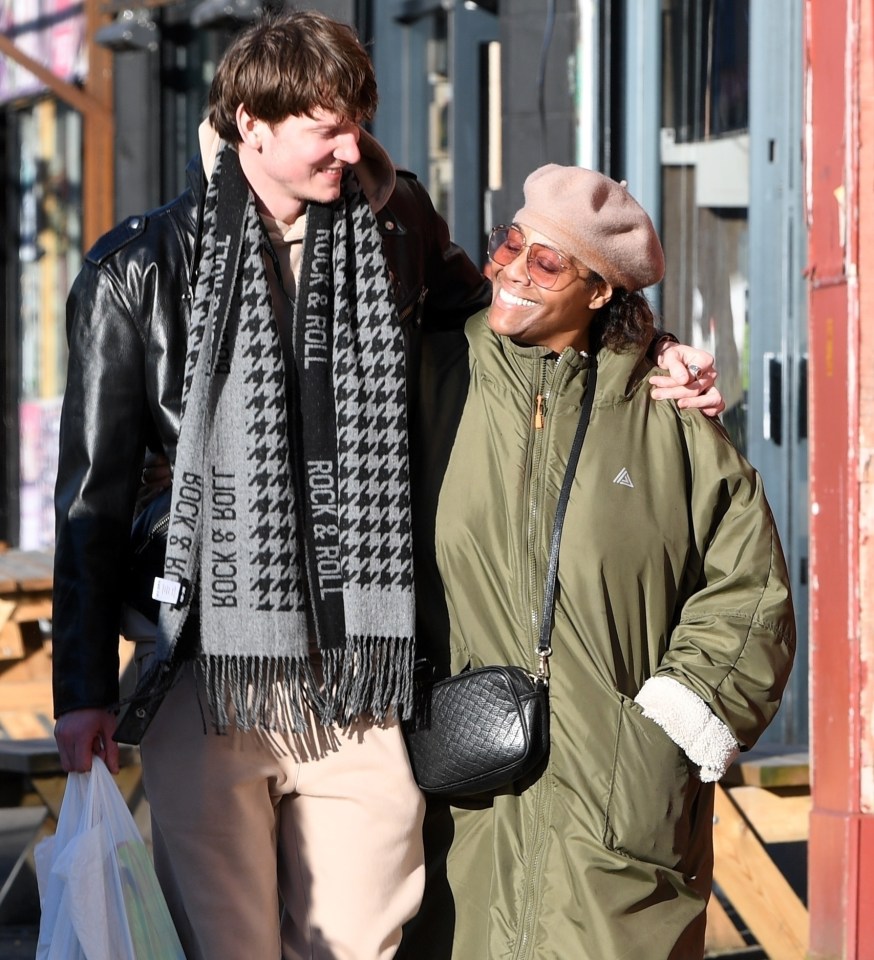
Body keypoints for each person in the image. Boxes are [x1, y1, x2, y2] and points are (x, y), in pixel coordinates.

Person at [51, 11, 721, 960]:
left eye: (356, 119)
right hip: (210, 665)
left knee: (367, 930)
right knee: (226, 941)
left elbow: (510, 328)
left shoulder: (393, 221)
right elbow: (90, 498)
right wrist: (80, 690)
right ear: (252, 123)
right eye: (326, 126)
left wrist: (651, 350)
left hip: (359, 667)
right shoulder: (137, 271)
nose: (350, 144)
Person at [399, 166, 796, 960]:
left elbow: (751, 586)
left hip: (614, 822)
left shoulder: (667, 419)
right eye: (510, 243)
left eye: (546, 262)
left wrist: (664, 731)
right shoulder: (434, 378)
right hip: (453, 805)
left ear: (601, 291)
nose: (512, 269)